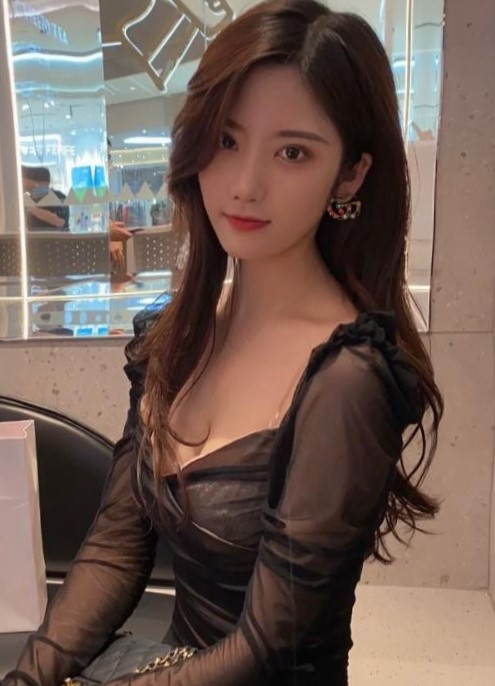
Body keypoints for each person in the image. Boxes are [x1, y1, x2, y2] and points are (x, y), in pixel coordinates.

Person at [4, 1, 444, 685]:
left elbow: (265, 645)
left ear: (350, 175)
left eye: (292, 152)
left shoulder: (347, 379)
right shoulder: (179, 336)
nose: (244, 185)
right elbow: (116, 549)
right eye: (227, 140)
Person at [21, 166, 70, 231]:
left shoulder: (58, 197)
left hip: (55, 237)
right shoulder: (29, 198)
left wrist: (31, 208)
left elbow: (59, 222)